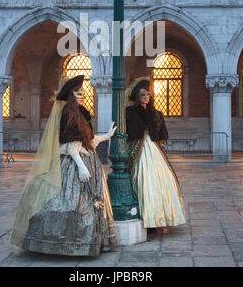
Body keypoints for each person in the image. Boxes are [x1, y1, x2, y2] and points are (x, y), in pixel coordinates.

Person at [10, 74, 117, 257]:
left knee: (90, 203)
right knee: (69, 203)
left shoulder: (82, 114)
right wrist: (81, 167)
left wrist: (107, 135)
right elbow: (69, 145)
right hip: (74, 164)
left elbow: (87, 141)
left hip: (87, 160)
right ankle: (66, 243)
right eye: (78, 93)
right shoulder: (68, 114)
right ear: (70, 96)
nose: (82, 95)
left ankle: (91, 241)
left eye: (83, 92)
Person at [125, 77, 186, 232]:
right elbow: (131, 132)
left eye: (147, 95)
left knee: (161, 180)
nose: (146, 97)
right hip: (139, 149)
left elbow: (162, 135)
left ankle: (159, 217)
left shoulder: (156, 113)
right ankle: (146, 217)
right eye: (142, 95)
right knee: (144, 179)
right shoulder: (131, 112)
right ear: (137, 97)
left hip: (154, 149)